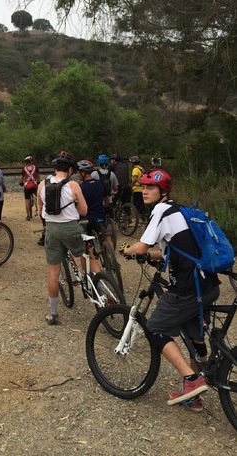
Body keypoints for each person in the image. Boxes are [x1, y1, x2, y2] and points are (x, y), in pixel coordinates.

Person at [119, 169, 220, 413]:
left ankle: (192, 380)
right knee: (193, 333)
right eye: (143, 187)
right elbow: (168, 252)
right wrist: (152, 256)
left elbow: (142, 246)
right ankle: (199, 384)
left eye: (151, 188)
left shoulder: (161, 211)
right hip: (208, 284)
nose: (144, 191)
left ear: (163, 192)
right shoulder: (180, 211)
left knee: (155, 329)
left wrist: (127, 250)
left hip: (188, 288)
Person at [37, 151, 87, 325]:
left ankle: (53, 314)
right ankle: (96, 286)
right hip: (71, 227)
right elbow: (83, 211)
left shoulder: (42, 185)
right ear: (70, 169)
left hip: (51, 229)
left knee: (53, 272)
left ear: (55, 168)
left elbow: (40, 211)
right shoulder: (73, 185)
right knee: (86, 255)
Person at [76, 160, 104, 275]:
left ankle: (87, 274)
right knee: (105, 236)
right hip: (100, 216)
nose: (77, 174)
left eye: (78, 172)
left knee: (85, 250)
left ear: (83, 172)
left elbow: (78, 206)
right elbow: (105, 200)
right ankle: (109, 256)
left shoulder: (81, 187)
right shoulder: (99, 183)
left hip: (86, 219)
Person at [20, 156, 40, 221]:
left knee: (27, 200)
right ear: (31, 161)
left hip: (27, 187)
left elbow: (22, 178)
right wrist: (38, 181)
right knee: (39, 198)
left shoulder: (24, 169)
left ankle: (28, 216)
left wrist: (22, 182)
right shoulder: (35, 167)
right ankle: (40, 211)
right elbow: (38, 175)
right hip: (34, 186)